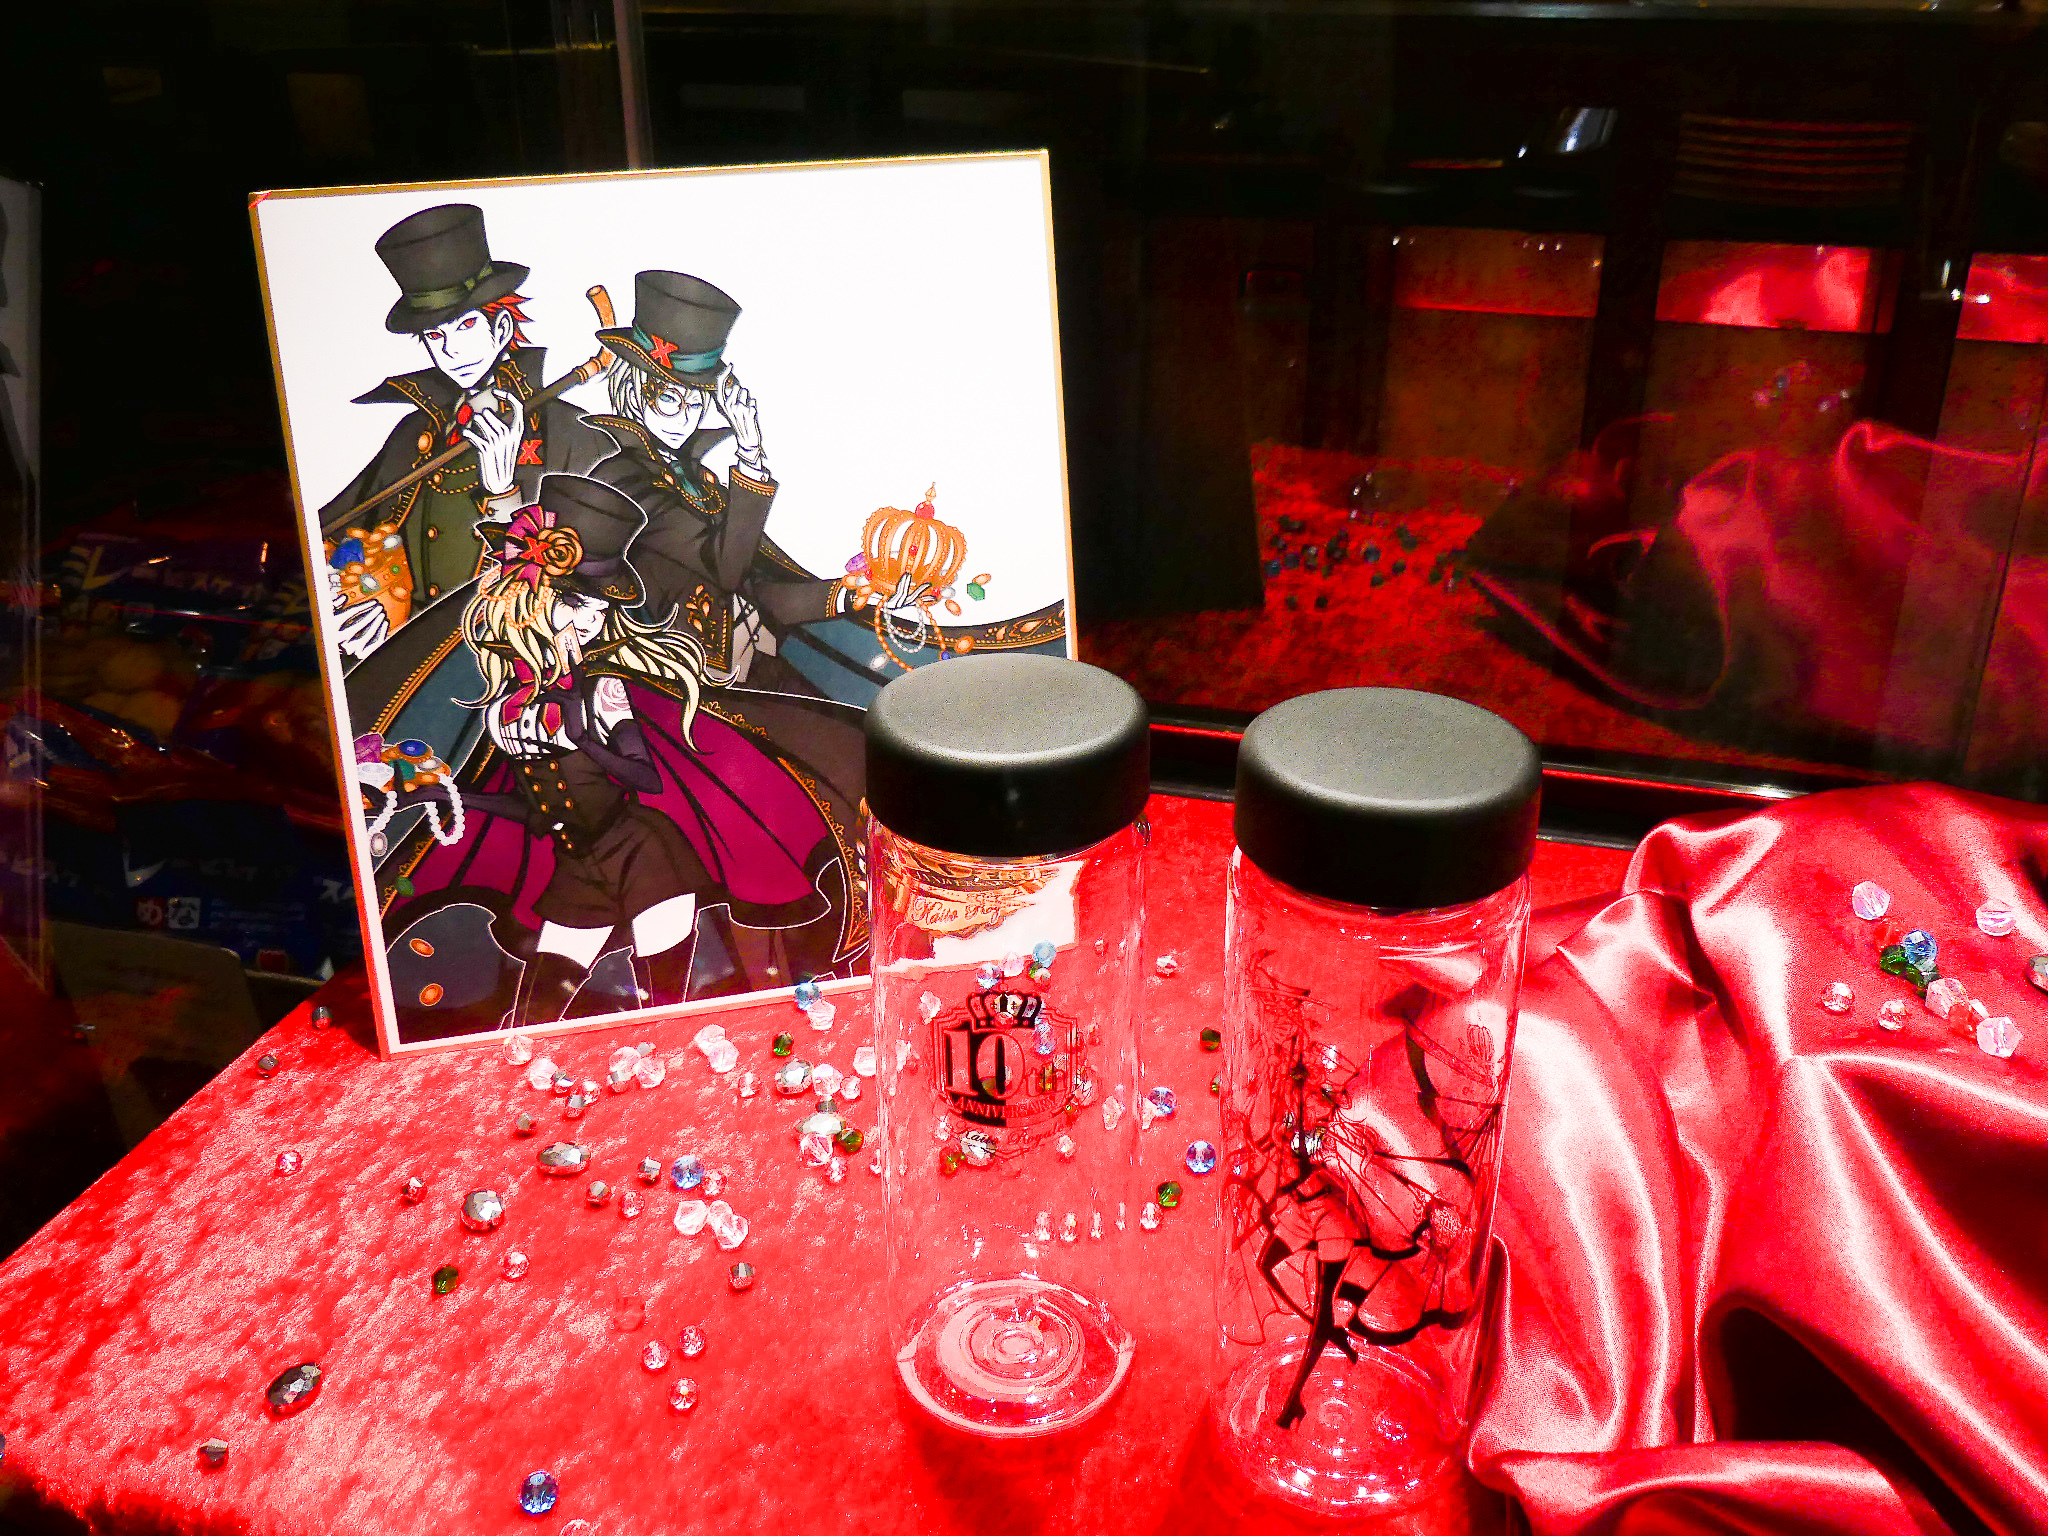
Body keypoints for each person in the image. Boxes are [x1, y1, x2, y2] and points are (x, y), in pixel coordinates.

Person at [393, 474, 844, 1028]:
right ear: (530, 597)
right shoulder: (504, 711)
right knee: (535, 1009)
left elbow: (646, 778)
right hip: (578, 868)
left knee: (666, 1008)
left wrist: (585, 738)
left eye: (599, 607)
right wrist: (452, 797)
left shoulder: (604, 690)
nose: (591, 620)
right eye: (576, 602)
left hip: (646, 857)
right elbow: (536, 813)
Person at [318, 203, 605, 662]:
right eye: (435, 336)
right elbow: (338, 529)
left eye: (467, 325)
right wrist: (359, 599)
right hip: (405, 657)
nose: (451, 350)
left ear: (502, 327)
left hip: (508, 663)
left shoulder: (570, 433)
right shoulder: (417, 431)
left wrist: (503, 489)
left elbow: (580, 581)